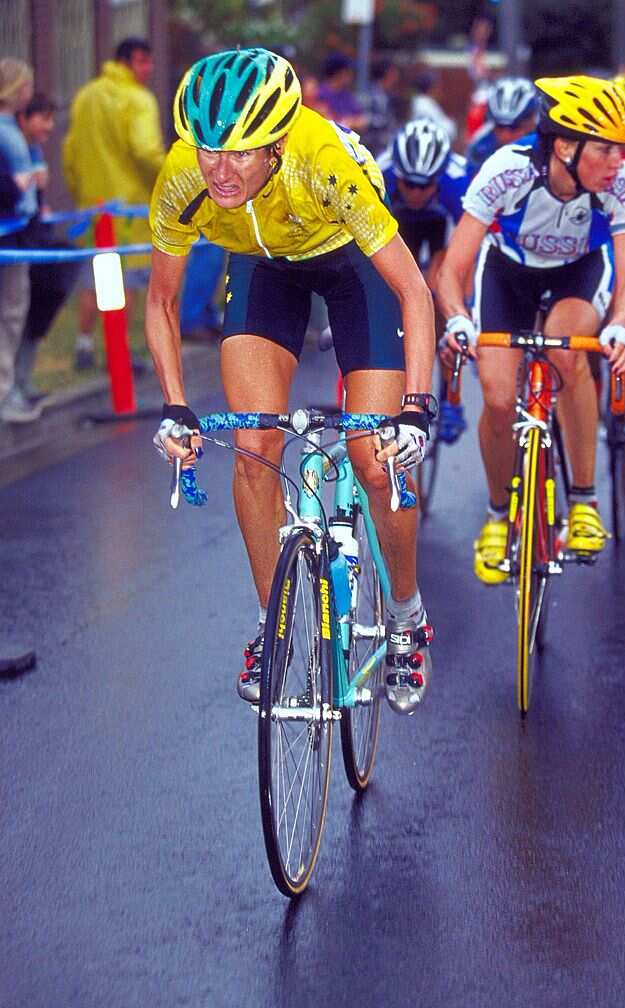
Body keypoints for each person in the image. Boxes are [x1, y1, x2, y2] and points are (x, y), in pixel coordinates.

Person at [147, 49, 436, 715]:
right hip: (262, 267)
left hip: (350, 264)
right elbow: (160, 304)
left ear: (277, 144)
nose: (220, 169)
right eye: (208, 149)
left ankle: (406, 612)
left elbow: (414, 293)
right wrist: (175, 407)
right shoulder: (183, 177)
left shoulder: (323, 161)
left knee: (374, 456)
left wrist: (415, 410)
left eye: (242, 153)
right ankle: (271, 626)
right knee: (253, 449)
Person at [436, 75, 625, 582]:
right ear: (565, 146)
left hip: (579, 273)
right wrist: (457, 317)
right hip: (508, 274)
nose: (618, 161)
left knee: (568, 354)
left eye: (620, 149)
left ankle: (583, 501)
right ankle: (497, 512)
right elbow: (453, 268)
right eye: (605, 149)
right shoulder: (508, 170)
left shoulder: (620, 182)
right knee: (499, 395)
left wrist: (620, 326)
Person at [63, 37, 164, 371]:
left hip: (95, 206)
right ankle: (117, 353)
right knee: (127, 282)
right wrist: (166, 181)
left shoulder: (86, 96)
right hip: (130, 209)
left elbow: (70, 153)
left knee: (98, 277)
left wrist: (81, 193)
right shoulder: (138, 99)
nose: (148, 69)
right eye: (143, 62)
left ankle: (85, 344)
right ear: (126, 62)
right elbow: (146, 151)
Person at [379, 119, 470, 442]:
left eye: (424, 185)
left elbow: (467, 248)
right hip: (398, 228)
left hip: (441, 233)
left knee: (441, 296)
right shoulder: (380, 173)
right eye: (409, 184)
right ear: (398, 175)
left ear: (438, 178)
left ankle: (452, 401)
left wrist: (456, 298)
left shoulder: (458, 180)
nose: (416, 192)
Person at [12, 93, 79, 406]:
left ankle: (21, 383)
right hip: (17, 242)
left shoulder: (34, 150)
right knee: (15, 314)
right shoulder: (11, 148)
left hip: (34, 239)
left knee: (35, 308)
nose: (50, 126)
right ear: (24, 118)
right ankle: (12, 389)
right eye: (44, 118)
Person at [0, 57, 38, 425]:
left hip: (13, 231)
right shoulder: (6, 131)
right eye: (25, 85)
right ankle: (4, 394)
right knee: (10, 312)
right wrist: (20, 187)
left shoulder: (12, 128)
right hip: (9, 233)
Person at [465, 77, 539, 177]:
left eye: (514, 127)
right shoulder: (479, 147)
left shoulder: (550, 142)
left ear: (532, 120)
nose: (505, 136)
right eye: (499, 127)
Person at [361, 58, 401, 157]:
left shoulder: (387, 94)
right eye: (394, 72)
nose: (396, 76)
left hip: (385, 146)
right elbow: (364, 119)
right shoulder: (371, 93)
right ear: (387, 73)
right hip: (373, 148)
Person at [316, 54, 366, 132]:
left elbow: (362, 120)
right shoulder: (319, 94)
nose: (351, 75)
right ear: (339, 73)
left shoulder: (346, 94)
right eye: (348, 71)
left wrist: (351, 122)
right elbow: (328, 121)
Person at [411, 72, 457, 142]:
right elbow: (445, 131)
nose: (439, 90)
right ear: (431, 88)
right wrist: (452, 124)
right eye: (437, 87)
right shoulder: (424, 105)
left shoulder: (426, 102)